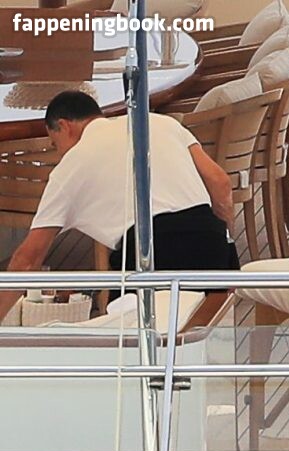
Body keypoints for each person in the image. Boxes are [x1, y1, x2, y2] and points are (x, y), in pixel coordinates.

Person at [0, 90, 236, 322]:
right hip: (211, 239)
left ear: (64, 126)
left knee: (131, 339)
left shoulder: (71, 165)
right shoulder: (159, 123)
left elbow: (28, 259)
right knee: (208, 331)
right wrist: (227, 246)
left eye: (55, 144)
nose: (59, 152)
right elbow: (221, 184)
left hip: (151, 254)